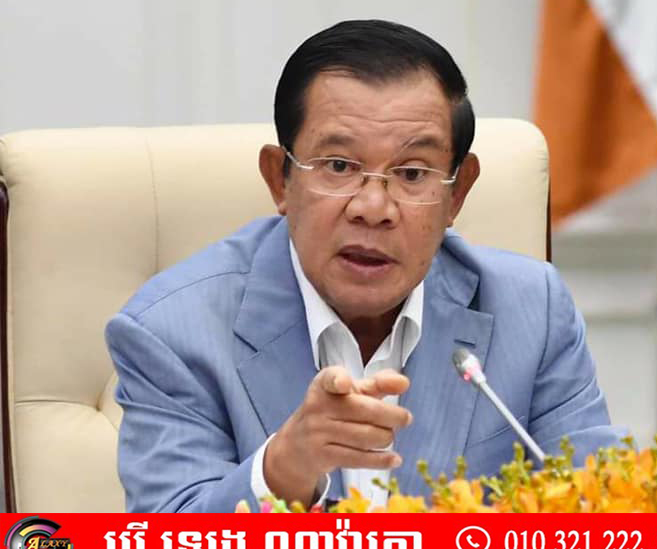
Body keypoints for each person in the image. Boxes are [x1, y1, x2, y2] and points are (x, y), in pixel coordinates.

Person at [106, 19, 626, 513]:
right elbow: (162, 546)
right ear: (280, 179)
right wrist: (280, 471)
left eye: (412, 173)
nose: (373, 208)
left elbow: (600, 521)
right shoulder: (172, 331)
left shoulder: (532, 311)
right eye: (339, 166)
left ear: (457, 194)